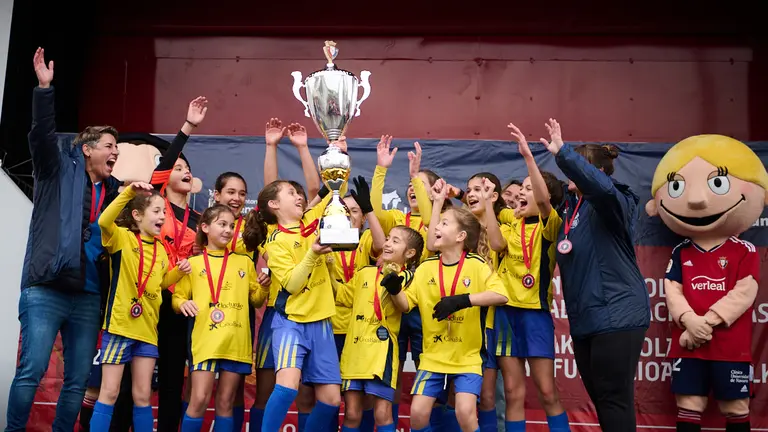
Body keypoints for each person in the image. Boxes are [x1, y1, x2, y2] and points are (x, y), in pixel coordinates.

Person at [6, 48, 122, 432]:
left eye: (117, 149)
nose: (115, 153)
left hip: (88, 295)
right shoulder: (55, 169)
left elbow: (159, 179)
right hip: (47, 287)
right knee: (32, 369)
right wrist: (44, 90)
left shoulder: (116, 190)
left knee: (78, 381)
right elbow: (41, 135)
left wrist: (186, 129)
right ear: (87, 149)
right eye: (109, 146)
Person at [645, 134, 768, 432]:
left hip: (730, 347)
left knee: (735, 407)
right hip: (687, 347)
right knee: (688, 404)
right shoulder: (681, 251)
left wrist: (705, 324)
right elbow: (672, 290)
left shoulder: (745, 250)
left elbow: (745, 292)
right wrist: (689, 320)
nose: (697, 199)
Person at [539, 118, 650, 431]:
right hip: (586, 319)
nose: (570, 175)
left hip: (617, 314)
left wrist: (564, 153)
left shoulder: (615, 200)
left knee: (614, 399)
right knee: (602, 400)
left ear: (598, 171)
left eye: (580, 166)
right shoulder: (571, 210)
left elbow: (600, 189)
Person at [391, 186, 509, 432]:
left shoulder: (477, 265)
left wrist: (462, 300)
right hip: (433, 357)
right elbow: (405, 304)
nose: (436, 227)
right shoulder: (425, 268)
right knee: (417, 414)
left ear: (460, 236)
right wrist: (394, 290)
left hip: (467, 358)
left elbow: (501, 295)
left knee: (465, 412)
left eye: (444, 223)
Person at [485, 123, 569, 432]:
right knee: (512, 392)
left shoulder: (551, 224)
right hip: (505, 314)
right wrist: (487, 201)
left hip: (535, 314)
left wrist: (528, 157)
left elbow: (544, 201)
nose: (521, 192)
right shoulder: (510, 221)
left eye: (529, 188)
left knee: (547, 391)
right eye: (521, 187)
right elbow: (495, 235)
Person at [90, 182, 191, 431]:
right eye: (156, 211)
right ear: (137, 215)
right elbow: (104, 221)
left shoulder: (162, 251)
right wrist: (128, 193)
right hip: (120, 327)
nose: (162, 217)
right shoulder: (122, 238)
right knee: (110, 391)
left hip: (147, 331)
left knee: (143, 395)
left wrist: (178, 272)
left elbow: (160, 284)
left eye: (164, 212)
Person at [249, 180, 339, 432]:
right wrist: (313, 253)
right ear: (274, 204)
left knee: (331, 400)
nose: (299, 196)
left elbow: (335, 187)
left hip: (321, 322)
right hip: (291, 322)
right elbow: (292, 284)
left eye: (299, 193)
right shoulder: (275, 241)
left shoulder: (311, 222)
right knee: (287, 388)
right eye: (291, 193)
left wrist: (338, 163)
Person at [173, 204, 271, 432]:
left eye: (231, 226)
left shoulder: (244, 262)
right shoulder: (193, 264)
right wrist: (182, 303)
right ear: (205, 227)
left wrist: (264, 287)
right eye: (222, 224)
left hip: (235, 341)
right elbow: (177, 298)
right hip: (205, 341)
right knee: (198, 399)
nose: (228, 230)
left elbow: (256, 300)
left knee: (226, 403)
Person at [336, 225, 423, 432]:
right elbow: (342, 296)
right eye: (388, 238)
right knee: (351, 413)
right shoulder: (365, 272)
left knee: (382, 413)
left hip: (382, 353)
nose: (387, 244)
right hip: (355, 351)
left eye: (395, 241)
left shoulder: (409, 278)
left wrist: (394, 288)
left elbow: (404, 305)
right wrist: (324, 267)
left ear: (410, 253)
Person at [211, 171, 272, 432]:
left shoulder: (251, 228)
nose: (237, 198)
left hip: (239, 312)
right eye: (231, 192)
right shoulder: (204, 224)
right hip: (206, 311)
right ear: (216, 195)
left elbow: (272, 191)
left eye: (242, 194)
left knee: (233, 388)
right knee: (196, 387)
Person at [328, 176, 385, 432]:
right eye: (343, 211)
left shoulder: (365, 240)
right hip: (331, 329)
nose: (348, 216)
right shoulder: (326, 241)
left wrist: (369, 209)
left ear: (362, 218)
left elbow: (381, 245)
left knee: (364, 401)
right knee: (330, 397)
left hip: (360, 331)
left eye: (354, 211)